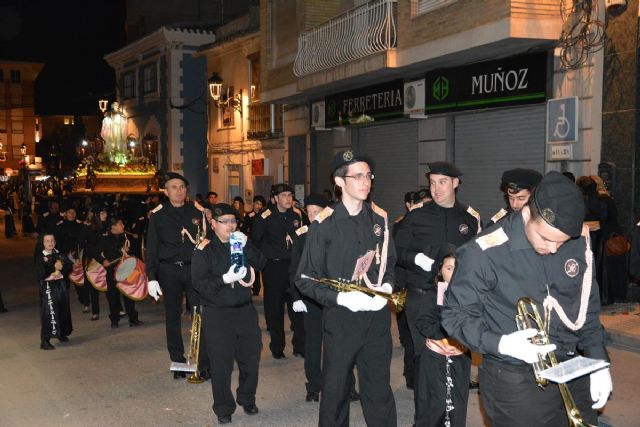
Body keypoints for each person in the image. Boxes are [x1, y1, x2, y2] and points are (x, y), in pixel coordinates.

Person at [441, 171, 612, 427]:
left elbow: (587, 304)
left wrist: (599, 362)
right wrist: (501, 344)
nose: (553, 249)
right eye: (545, 238)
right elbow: (455, 316)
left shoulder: (576, 240)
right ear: (527, 213)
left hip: (572, 367)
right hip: (514, 380)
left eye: (561, 242)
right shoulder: (484, 252)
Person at [295, 150, 397, 427]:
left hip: (376, 318)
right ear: (339, 181)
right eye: (358, 176)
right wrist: (341, 298)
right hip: (342, 318)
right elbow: (305, 278)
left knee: (379, 389)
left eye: (368, 176)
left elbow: (390, 262)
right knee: (336, 389)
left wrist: (386, 286)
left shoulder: (380, 219)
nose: (366, 182)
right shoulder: (323, 225)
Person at [394, 161, 481, 426]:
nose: (436, 188)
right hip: (422, 297)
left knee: (457, 355)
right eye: (432, 183)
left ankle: (452, 416)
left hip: (457, 300)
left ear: (456, 183)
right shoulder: (417, 215)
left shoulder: (468, 218)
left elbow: (479, 257)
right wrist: (416, 260)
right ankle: (425, 418)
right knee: (426, 361)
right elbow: (398, 251)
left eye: (442, 182)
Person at [191, 203, 266, 425]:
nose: (231, 226)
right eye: (225, 222)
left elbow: (261, 263)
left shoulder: (241, 242)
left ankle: (247, 397)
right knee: (221, 364)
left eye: (234, 221)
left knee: (251, 358)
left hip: (245, 310)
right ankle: (223, 407)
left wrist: (248, 246)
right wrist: (224, 280)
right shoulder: (204, 250)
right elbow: (199, 284)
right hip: (218, 313)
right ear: (213, 224)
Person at [145, 172, 210, 379]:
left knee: (200, 314)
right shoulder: (158, 214)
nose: (179, 190)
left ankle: (202, 359)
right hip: (169, 270)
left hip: (194, 269)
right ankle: (178, 361)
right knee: (172, 315)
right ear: (165, 191)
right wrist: (151, 276)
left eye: (182, 186)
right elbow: (152, 247)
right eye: (174, 187)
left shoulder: (196, 211)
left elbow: (205, 242)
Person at [415, 250, 470, 427]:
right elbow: (423, 323)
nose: (453, 273)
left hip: (460, 357)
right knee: (435, 402)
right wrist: (446, 334)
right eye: (448, 268)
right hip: (435, 358)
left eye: (458, 268)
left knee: (457, 402)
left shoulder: (470, 294)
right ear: (440, 271)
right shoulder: (432, 294)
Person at [251, 183, 305, 359]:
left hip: (294, 265)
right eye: (284, 196)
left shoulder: (296, 215)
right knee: (274, 308)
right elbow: (255, 240)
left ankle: (300, 345)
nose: (288, 199)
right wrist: (264, 259)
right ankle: (277, 347)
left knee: (297, 306)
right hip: (274, 267)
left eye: (290, 195)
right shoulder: (265, 217)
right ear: (274, 199)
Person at [96, 217, 141, 328]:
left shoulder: (126, 237)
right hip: (112, 271)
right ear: (113, 227)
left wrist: (129, 251)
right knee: (113, 296)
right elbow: (94, 252)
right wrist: (103, 260)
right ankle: (114, 320)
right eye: (120, 224)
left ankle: (133, 318)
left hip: (126, 270)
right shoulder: (104, 239)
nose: (123, 226)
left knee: (128, 294)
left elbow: (135, 252)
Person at [35, 233, 73, 350]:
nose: (50, 243)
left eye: (52, 240)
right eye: (47, 241)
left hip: (61, 286)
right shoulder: (41, 257)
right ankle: (45, 340)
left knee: (63, 309)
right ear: (43, 243)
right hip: (48, 287)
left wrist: (63, 267)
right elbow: (40, 274)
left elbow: (69, 267)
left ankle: (61, 333)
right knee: (49, 312)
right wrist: (53, 269)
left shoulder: (59, 254)